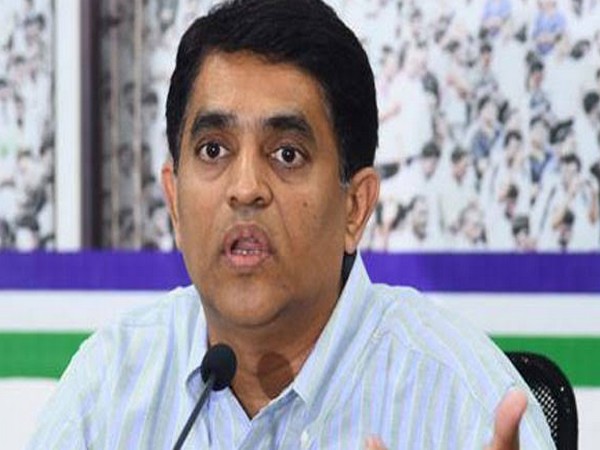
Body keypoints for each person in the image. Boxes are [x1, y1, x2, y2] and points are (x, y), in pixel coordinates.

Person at [28, 1, 553, 449]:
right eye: (213, 150)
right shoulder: (111, 383)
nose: (245, 188)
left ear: (355, 207)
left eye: (287, 153)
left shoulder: (462, 399)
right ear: (174, 200)